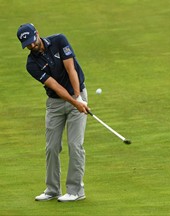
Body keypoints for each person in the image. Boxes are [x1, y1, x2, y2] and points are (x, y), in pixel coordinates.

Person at [17, 23, 89, 202]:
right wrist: (74, 102)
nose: (31, 46)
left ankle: (75, 191)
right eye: (27, 45)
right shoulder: (31, 64)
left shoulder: (59, 41)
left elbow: (70, 68)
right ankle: (52, 189)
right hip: (56, 103)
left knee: (75, 145)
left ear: (37, 34)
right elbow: (55, 86)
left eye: (32, 41)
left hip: (76, 93)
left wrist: (78, 97)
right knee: (51, 147)